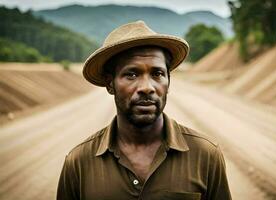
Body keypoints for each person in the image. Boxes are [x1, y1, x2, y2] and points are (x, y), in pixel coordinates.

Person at [57, 20, 231, 200]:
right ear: (110, 84)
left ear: (168, 82)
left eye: (157, 74)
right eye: (131, 74)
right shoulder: (78, 162)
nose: (147, 87)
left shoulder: (206, 154)